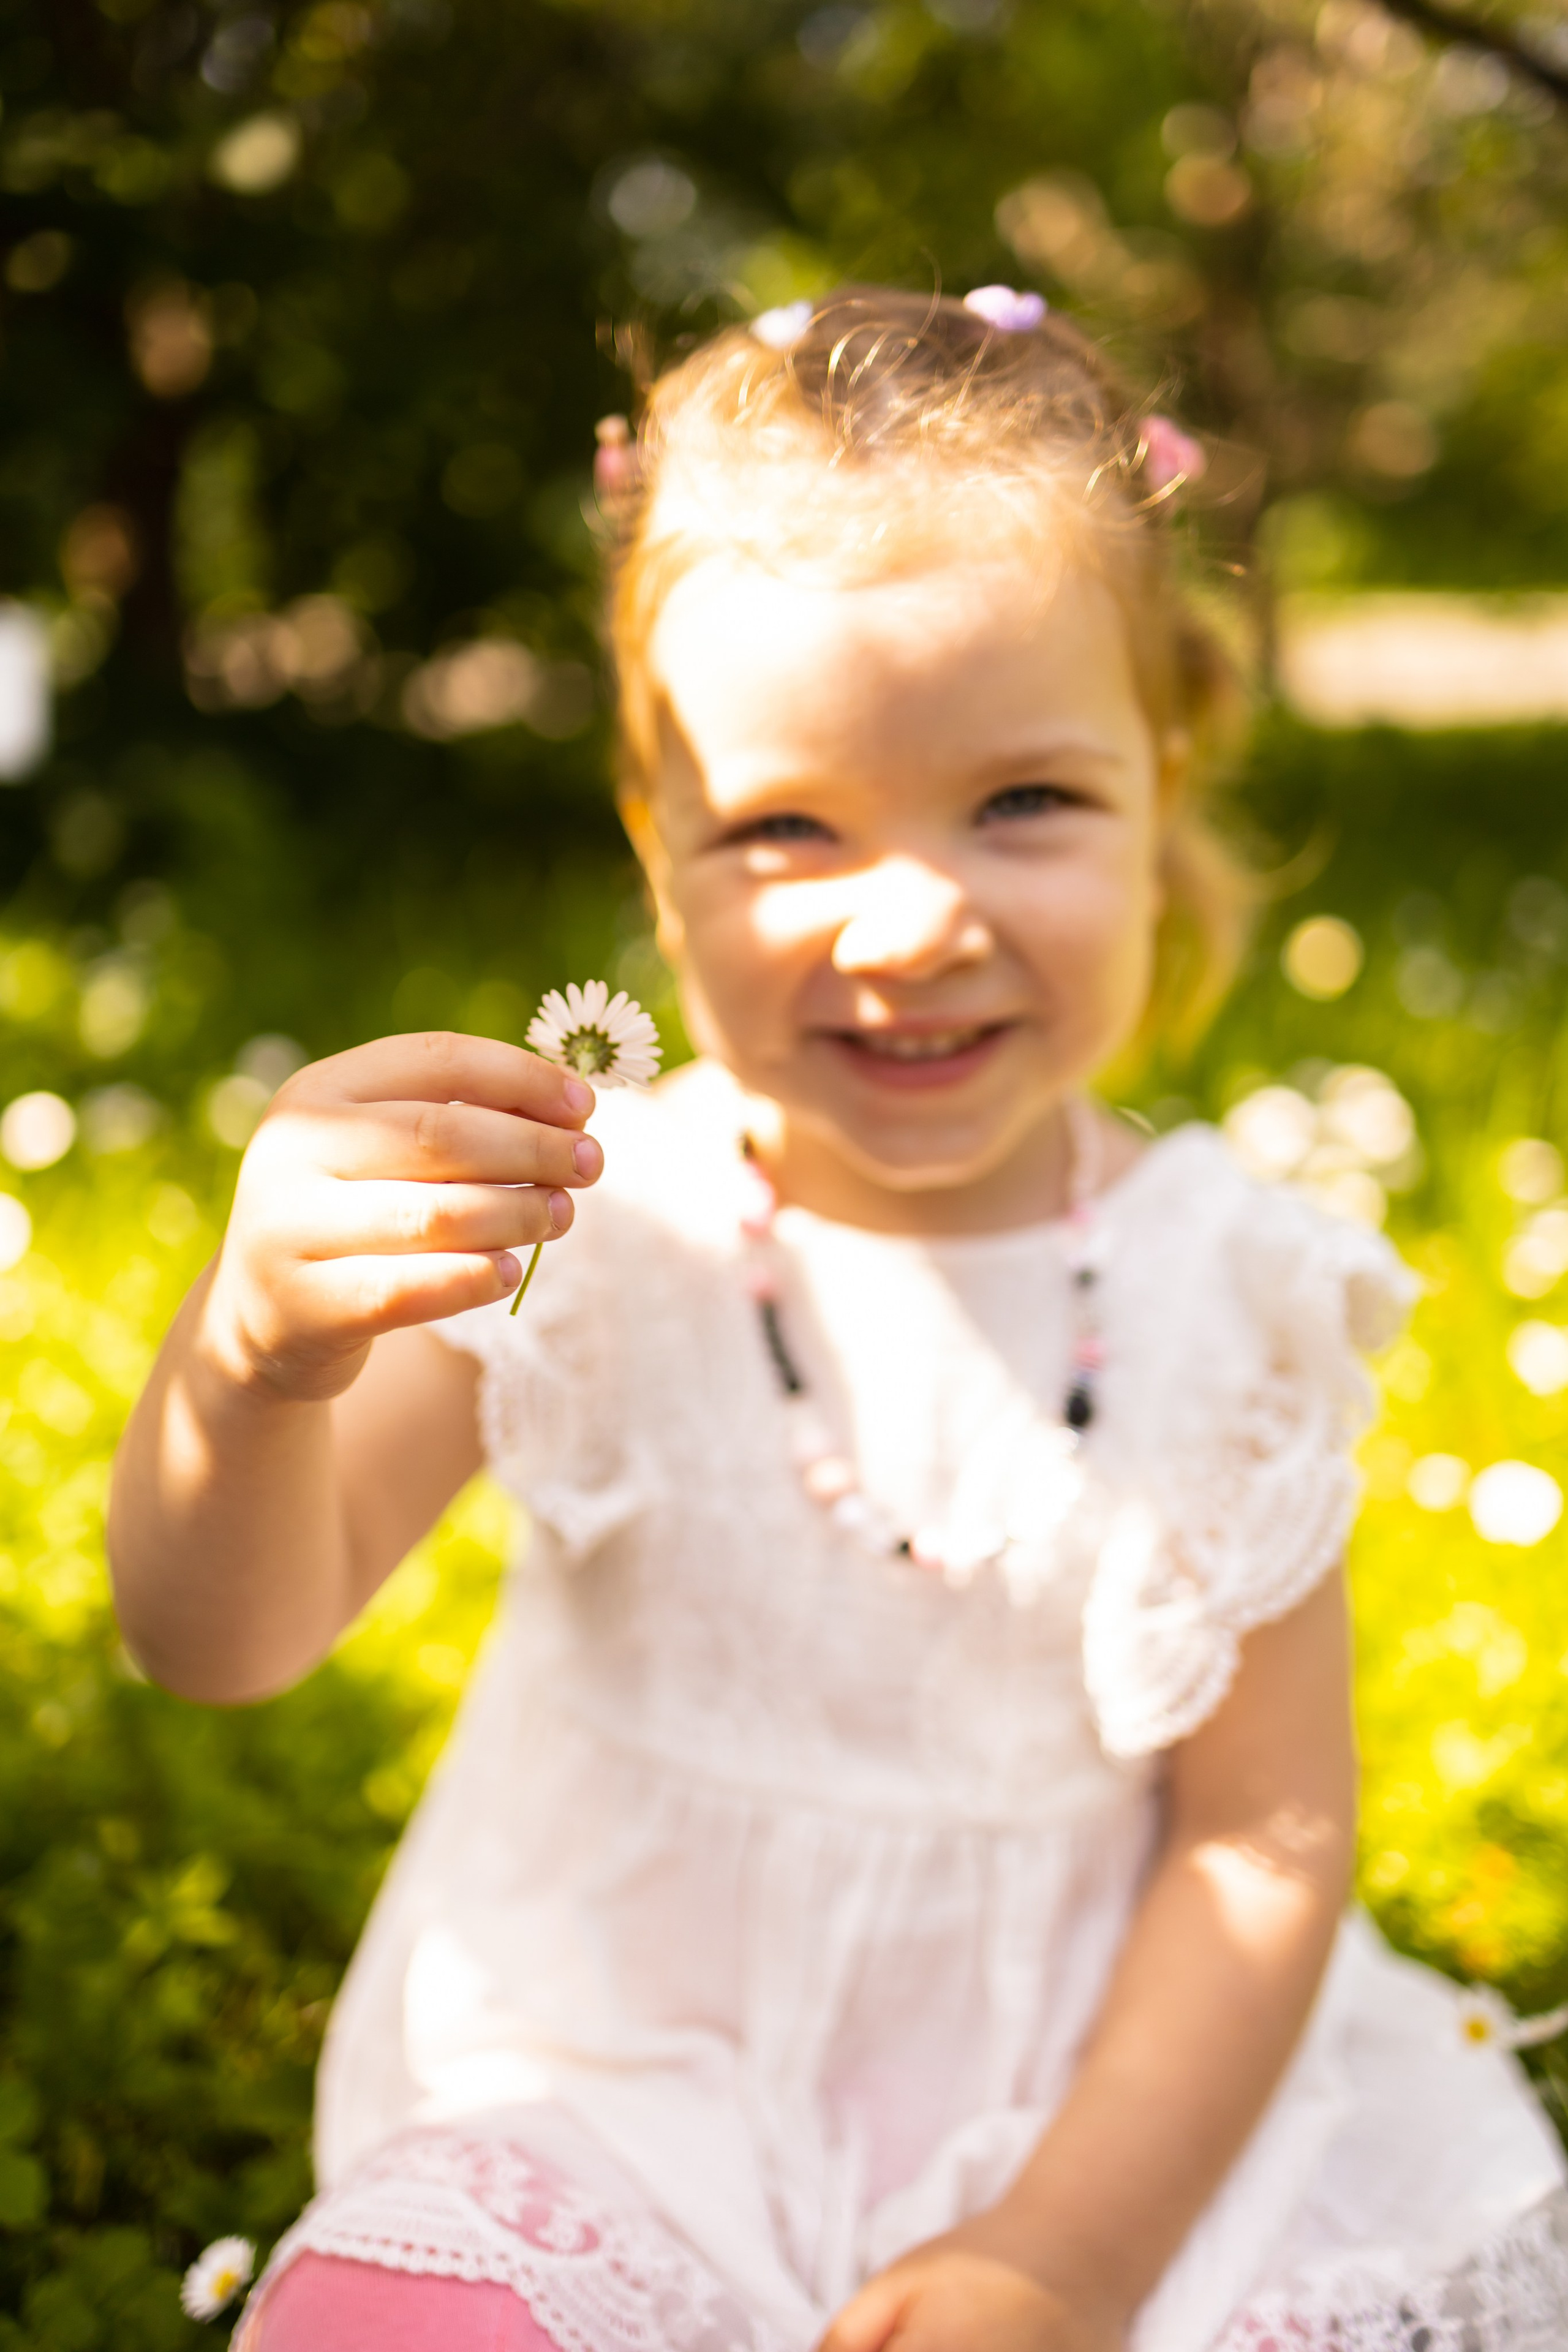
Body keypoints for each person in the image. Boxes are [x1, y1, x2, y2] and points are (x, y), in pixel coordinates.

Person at [109, 287, 1568, 2352]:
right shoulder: (582, 1223)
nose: (909, 919)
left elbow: (1262, 1836)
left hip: (1110, 2115)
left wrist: (1059, 2261)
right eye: (789, 825)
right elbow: (223, 1640)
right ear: (657, 843)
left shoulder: (1219, 1288)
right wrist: (250, 1364)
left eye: (1026, 803)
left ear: (1164, 786)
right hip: (618, 2088)